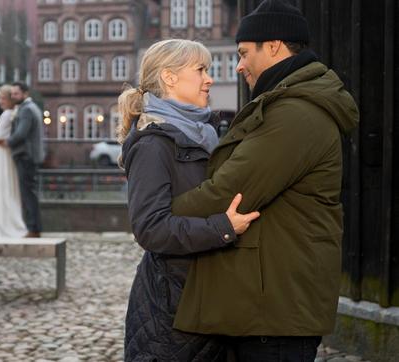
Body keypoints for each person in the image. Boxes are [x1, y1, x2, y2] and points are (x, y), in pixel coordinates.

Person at [170, 1, 359, 360]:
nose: (239, 65)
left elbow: (230, 191)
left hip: (274, 313)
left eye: (243, 53)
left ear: (273, 46)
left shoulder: (295, 114)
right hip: (268, 305)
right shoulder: (287, 105)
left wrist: (163, 211)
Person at [119, 39, 260, 361]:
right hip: (172, 304)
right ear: (169, 77)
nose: (209, 78)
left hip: (204, 293)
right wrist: (222, 227)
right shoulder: (154, 144)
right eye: (200, 70)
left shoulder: (204, 133)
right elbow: (150, 229)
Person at [0, 82, 45, 238]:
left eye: (16, 94)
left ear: (25, 93)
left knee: (28, 193)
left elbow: (21, 134)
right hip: (29, 155)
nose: (13, 96)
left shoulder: (27, 110)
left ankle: (33, 229)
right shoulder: (29, 108)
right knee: (29, 192)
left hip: (26, 156)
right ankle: (33, 227)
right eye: (13, 93)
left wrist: (4, 142)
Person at [0, 85, 28, 238]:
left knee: (2, 187)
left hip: (1, 155)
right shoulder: (11, 114)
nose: (0, 102)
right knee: (6, 188)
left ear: (10, 100)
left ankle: (5, 225)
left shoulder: (7, 115)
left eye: (3, 98)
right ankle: (8, 223)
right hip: (3, 154)